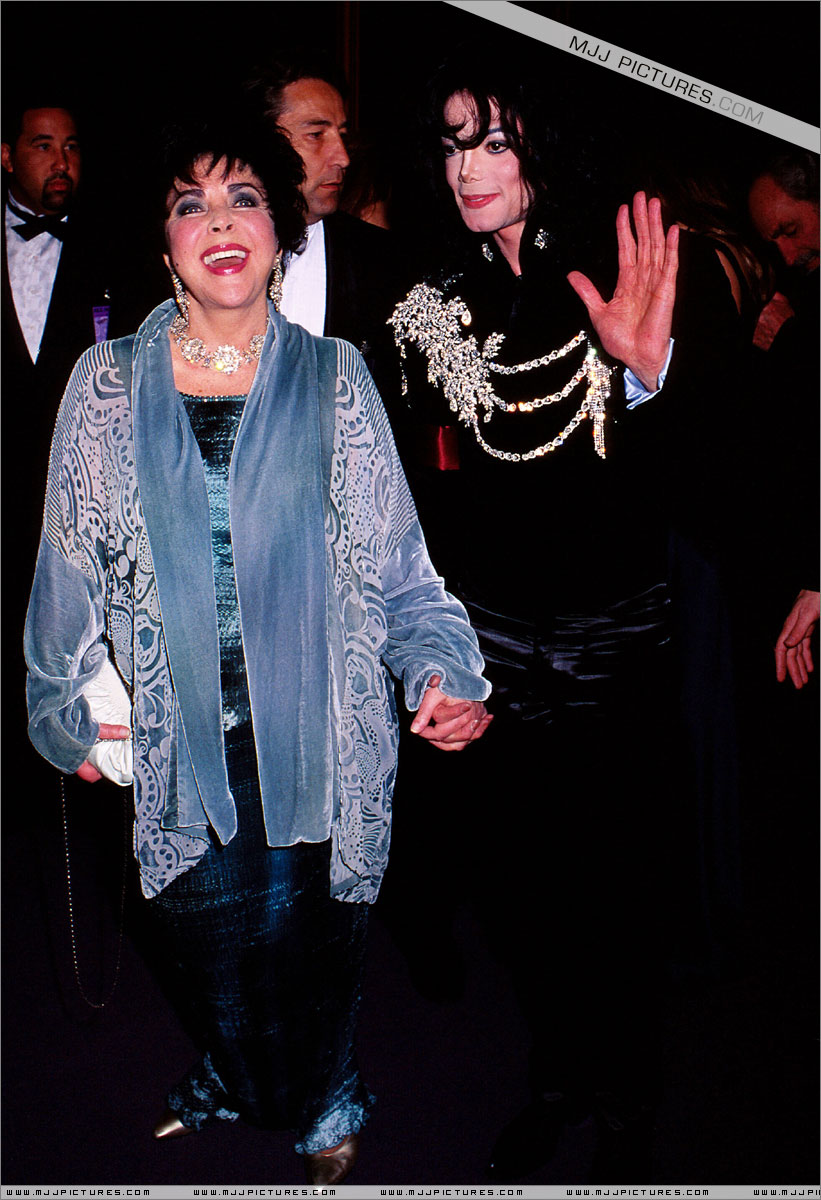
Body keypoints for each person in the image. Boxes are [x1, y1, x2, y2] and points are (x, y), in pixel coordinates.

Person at [24, 114, 491, 1185]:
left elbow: (401, 572)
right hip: (170, 746)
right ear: (164, 245)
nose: (220, 223)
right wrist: (60, 711)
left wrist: (440, 670)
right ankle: (234, 1068)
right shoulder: (103, 385)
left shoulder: (335, 378)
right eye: (190, 205)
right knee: (210, 969)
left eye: (244, 199)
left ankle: (328, 1092)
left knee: (315, 960)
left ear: (280, 231)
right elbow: (65, 567)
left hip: (322, 741)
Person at [387, 54, 743, 1182]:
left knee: (616, 907)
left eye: (493, 141)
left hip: (612, 657)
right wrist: (434, 657)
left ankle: (625, 1101)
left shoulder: (621, 274)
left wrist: (653, 374)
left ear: (542, 148)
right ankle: (555, 1082)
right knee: (524, 905)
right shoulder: (434, 306)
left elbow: (715, 488)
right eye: (453, 144)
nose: (468, 167)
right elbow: (425, 506)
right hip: (493, 660)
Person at [243, 53, 407, 396]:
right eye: (317, 135)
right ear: (262, 142)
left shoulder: (387, 265)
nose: (343, 157)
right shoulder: (199, 259)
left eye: (342, 134)